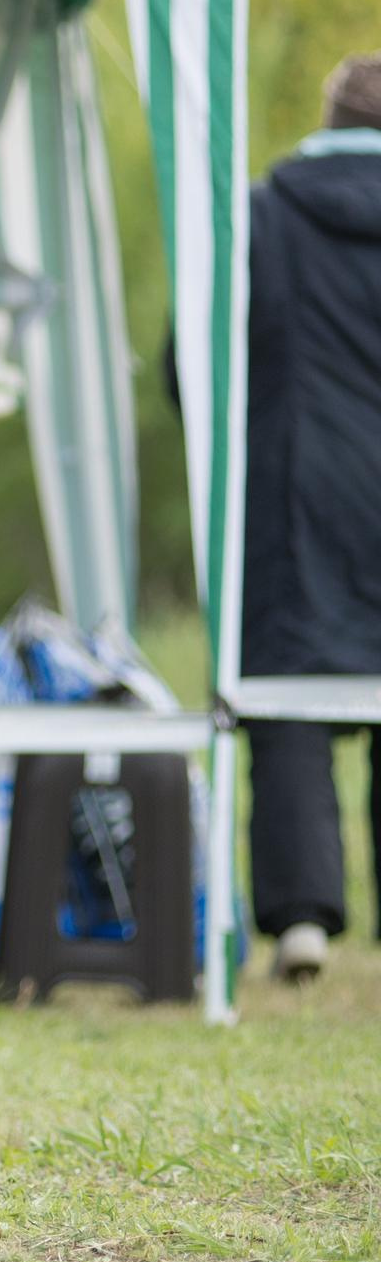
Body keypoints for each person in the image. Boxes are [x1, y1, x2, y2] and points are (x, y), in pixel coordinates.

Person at [200, 54, 381, 983]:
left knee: (292, 699)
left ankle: (301, 917)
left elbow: (194, 356)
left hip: (297, 483)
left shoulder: (262, 215)